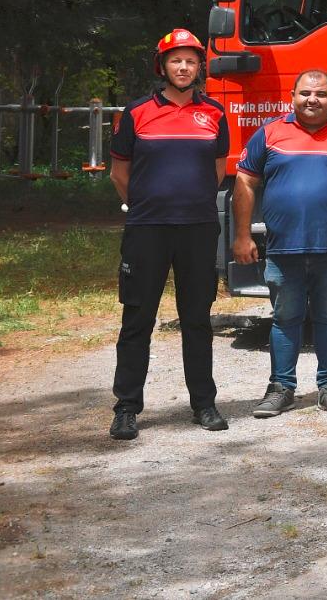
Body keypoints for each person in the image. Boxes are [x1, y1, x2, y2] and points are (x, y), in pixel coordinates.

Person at [233, 70, 327, 419]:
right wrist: (242, 235)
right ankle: (280, 388)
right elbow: (245, 183)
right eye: (305, 93)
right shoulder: (269, 134)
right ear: (292, 96)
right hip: (283, 249)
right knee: (285, 318)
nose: (312, 99)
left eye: (321, 94)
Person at [107, 29, 230, 440]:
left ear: (199, 68)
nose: (183, 67)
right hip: (147, 230)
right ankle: (126, 408)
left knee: (197, 320)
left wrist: (189, 204)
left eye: (191, 61)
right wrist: (148, 206)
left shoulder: (214, 113)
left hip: (197, 229)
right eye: (176, 60)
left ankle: (204, 404)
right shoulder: (136, 112)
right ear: (162, 66)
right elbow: (119, 173)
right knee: (137, 319)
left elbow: (217, 171)